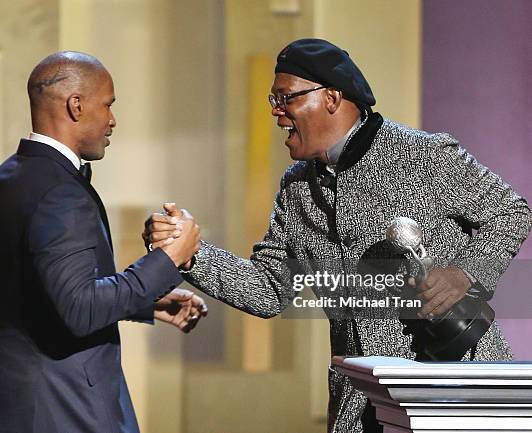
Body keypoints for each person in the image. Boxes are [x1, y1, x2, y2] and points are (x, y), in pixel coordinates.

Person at [144, 39, 532, 432]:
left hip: (454, 392)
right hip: (360, 407)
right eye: (272, 100)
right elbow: (268, 290)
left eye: (285, 98)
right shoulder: (297, 187)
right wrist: (191, 254)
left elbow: (511, 212)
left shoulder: (424, 155)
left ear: (331, 97)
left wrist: (464, 272)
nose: (277, 114)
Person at [0, 51, 206, 433]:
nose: (113, 120)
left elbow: (45, 292)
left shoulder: (7, 176)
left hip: (9, 402)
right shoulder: (60, 190)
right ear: (76, 105)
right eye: (108, 105)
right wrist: (169, 258)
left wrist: (148, 301)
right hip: (61, 410)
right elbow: (79, 310)